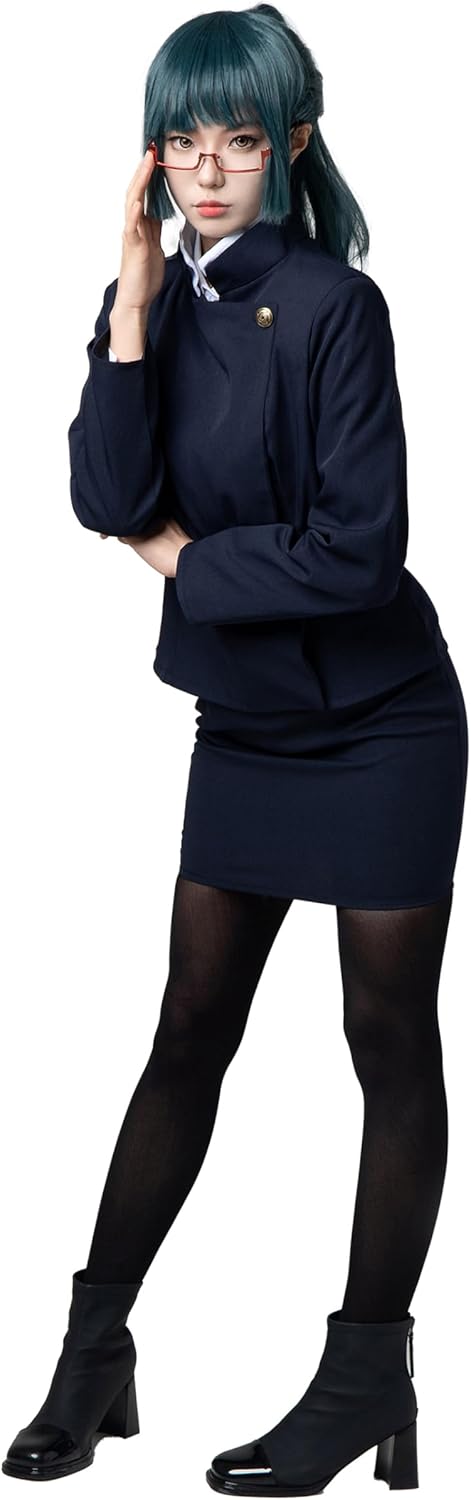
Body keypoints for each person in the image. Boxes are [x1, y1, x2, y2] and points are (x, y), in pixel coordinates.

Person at [2, 4, 468, 1491]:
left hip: (383, 722)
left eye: (242, 141)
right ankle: (94, 1352)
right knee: (188, 1030)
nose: (209, 170)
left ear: (292, 148)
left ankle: (366, 1375)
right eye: (185, 141)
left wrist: (185, 562)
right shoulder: (145, 297)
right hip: (250, 724)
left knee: (384, 1037)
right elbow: (102, 494)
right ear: (155, 155)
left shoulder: (337, 307)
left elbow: (359, 552)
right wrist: (132, 306)